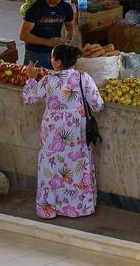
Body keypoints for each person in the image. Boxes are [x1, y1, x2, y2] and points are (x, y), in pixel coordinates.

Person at [23, 43, 102, 219]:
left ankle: (50, 209)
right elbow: (98, 104)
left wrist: (30, 78)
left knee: (51, 168)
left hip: (52, 135)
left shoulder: (48, 81)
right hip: (77, 133)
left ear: (58, 62)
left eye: (52, 57)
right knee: (77, 167)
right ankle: (79, 208)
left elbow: (29, 98)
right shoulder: (84, 78)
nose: (51, 60)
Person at [19, 0, 76, 68]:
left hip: (56, 55)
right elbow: (23, 35)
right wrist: (48, 42)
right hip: (35, 53)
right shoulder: (36, 8)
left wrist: (68, 40)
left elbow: (70, 27)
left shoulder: (66, 8)